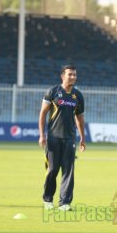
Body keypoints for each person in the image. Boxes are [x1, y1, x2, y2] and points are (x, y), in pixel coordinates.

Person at [38, 65, 85, 211]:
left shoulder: (78, 95)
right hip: (53, 137)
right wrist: (42, 135)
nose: (73, 77)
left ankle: (64, 202)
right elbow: (43, 114)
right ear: (62, 76)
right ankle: (48, 199)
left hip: (70, 138)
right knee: (52, 170)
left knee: (68, 171)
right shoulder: (52, 92)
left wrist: (82, 138)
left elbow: (79, 118)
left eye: (74, 74)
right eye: (70, 74)